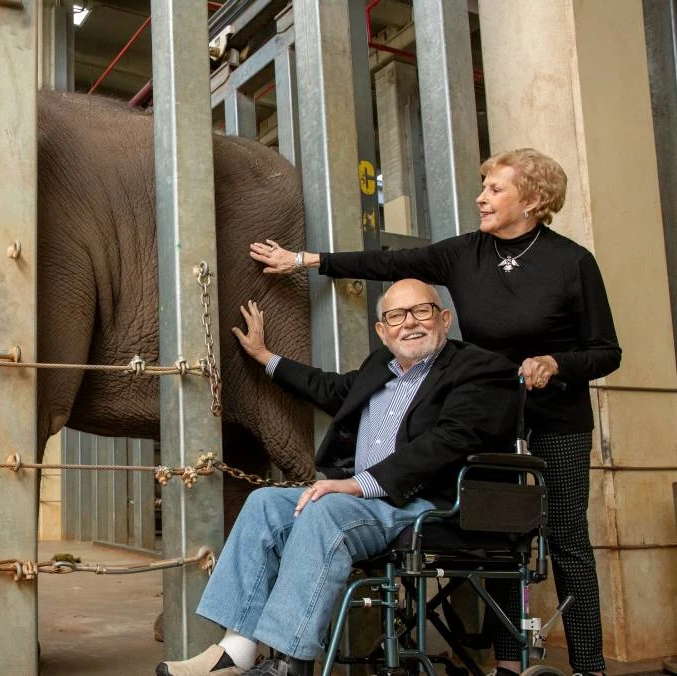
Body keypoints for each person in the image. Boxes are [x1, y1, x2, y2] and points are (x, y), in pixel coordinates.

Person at [250, 148, 619, 676]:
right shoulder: (465, 254)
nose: (481, 197)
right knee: (498, 533)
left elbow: (608, 351)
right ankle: (509, 664)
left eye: (495, 188)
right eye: (483, 187)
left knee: (565, 535)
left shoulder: (571, 262)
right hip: (487, 410)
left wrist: (556, 362)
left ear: (533, 199)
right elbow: (389, 264)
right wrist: (305, 261)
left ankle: (590, 665)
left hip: (554, 417)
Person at [156, 279, 520, 676]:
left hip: (424, 504)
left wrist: (356, 484)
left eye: (422, 311)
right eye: (396, 316)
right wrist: (265, 357)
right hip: (362, 502)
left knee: (324, 509)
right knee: (263, 503)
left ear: (444, 318)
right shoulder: (379, 366)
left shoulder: (480, 368)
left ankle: (289, 662)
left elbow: (449, 440)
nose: (410, 323)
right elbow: (329, 387)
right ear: (382, 330)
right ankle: (237, 651)